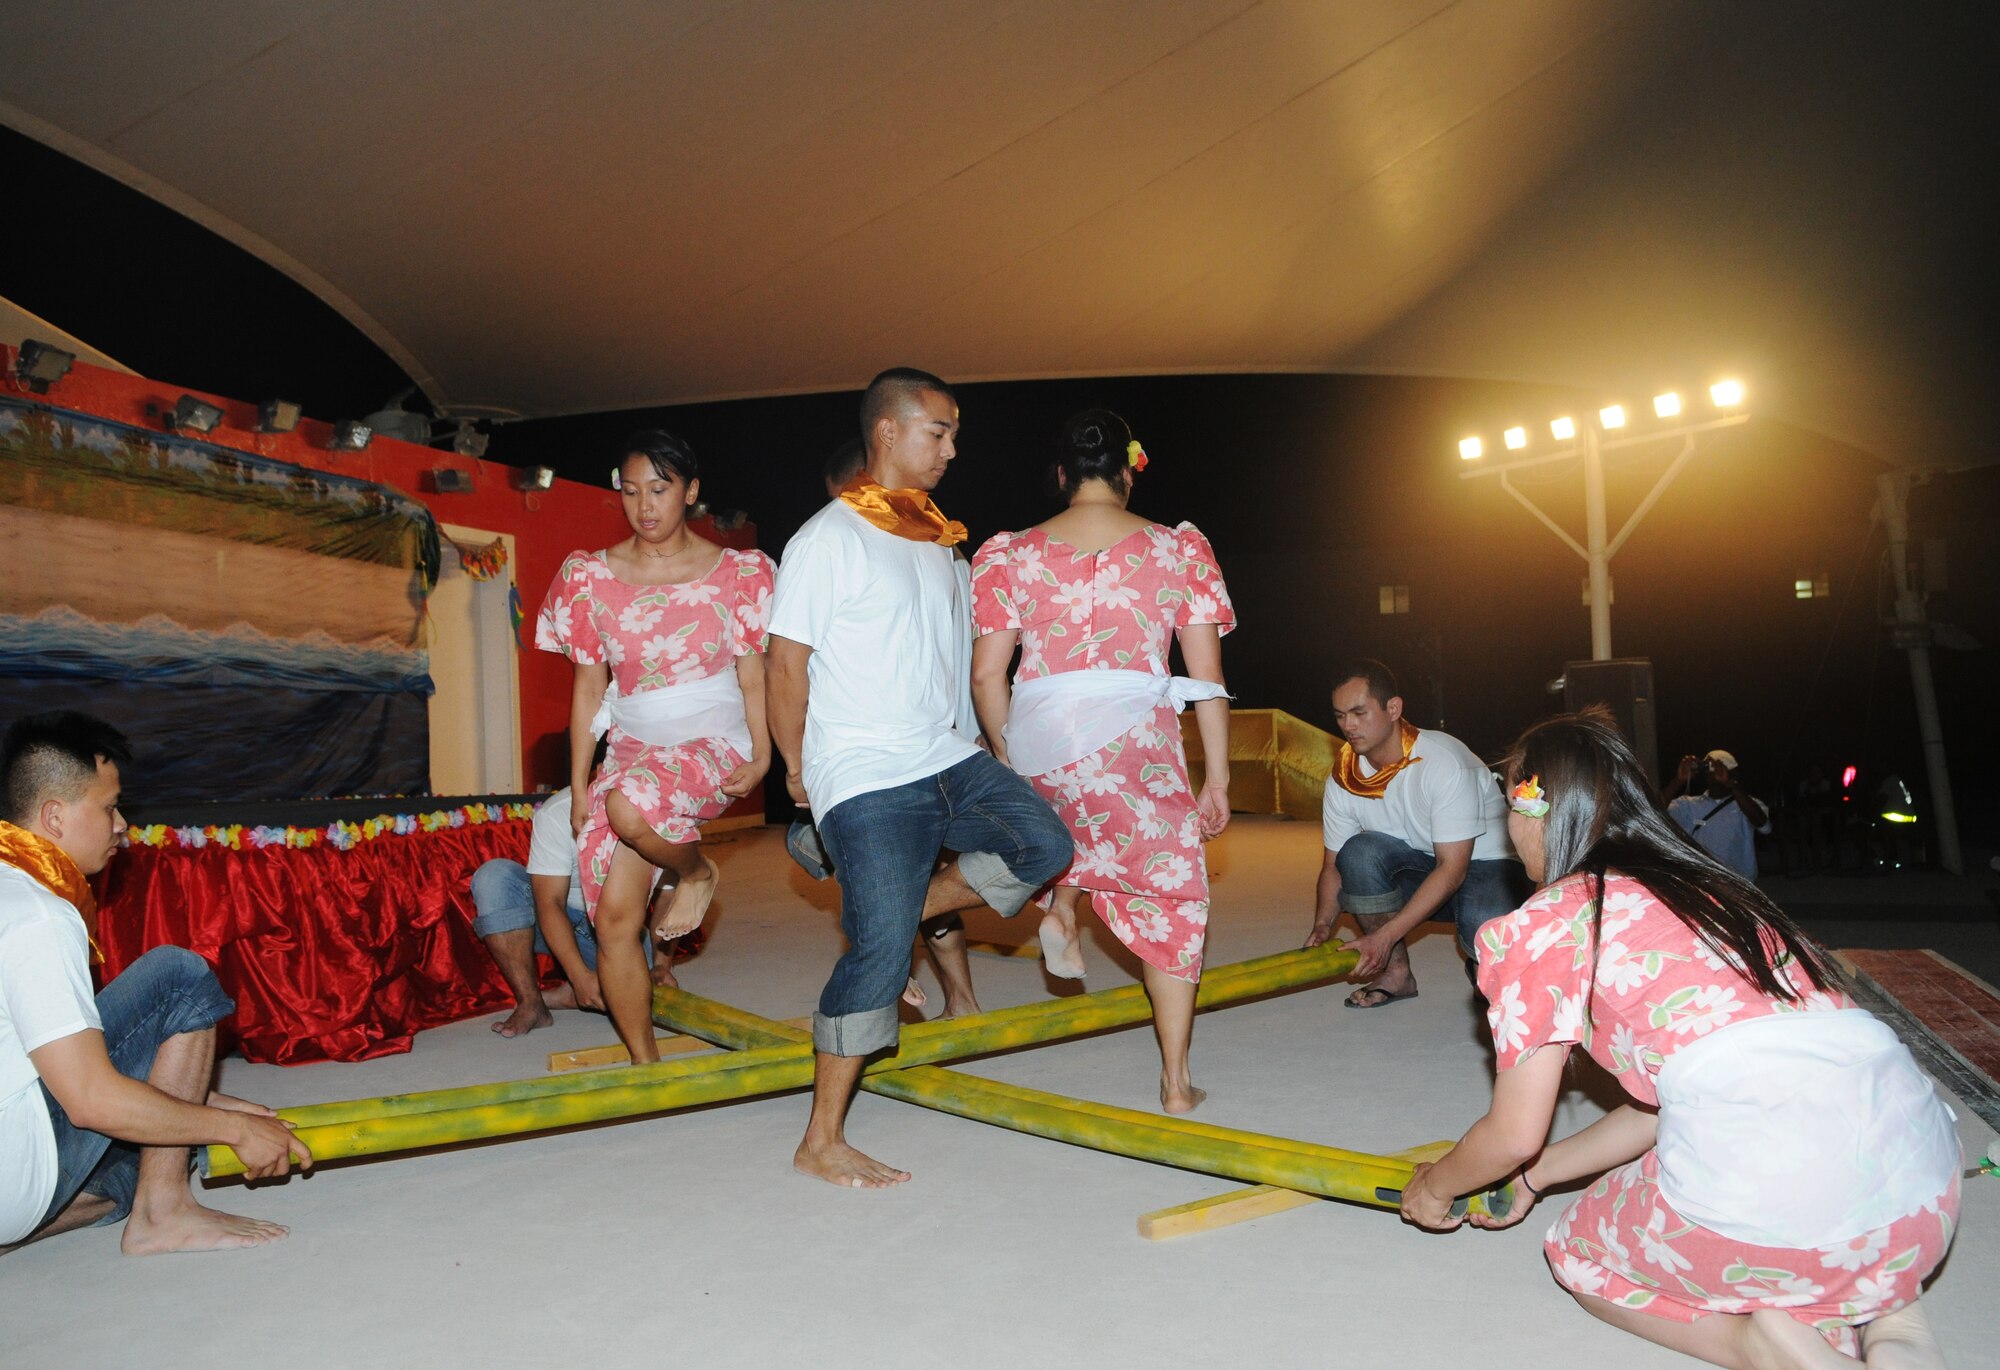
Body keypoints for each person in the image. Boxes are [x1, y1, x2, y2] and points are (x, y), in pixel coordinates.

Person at [1399, 709, 1957, 1369]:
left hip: (1779, 1215)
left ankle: (1761, 1345)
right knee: (1772, 1157)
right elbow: (1663, 1106)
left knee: (1580, 1249)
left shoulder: (1549, 924)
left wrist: (1436, 1186)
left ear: (1536, 808)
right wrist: (1537, 1176)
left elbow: (1514, 1134)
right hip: (1923, 1194)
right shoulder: (1719, 894)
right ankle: (1889, 1317)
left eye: (1510, 800)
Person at [767, 366, 1072, 1187]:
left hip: (946, 754)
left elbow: (946, 663)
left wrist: (982, 745)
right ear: (888, 432)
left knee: (1043, 843)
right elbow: (785, 664)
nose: (951, 449)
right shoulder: (827, 539)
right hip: (864, 768)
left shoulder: (940, 542)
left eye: (954, 435)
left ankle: (894, 900)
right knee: (875, 954)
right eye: (939, 432)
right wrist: (797, 769)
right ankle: (821, 1139)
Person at [969, 409, 1233, 1114]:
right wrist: (1217, 776)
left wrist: (1009, 751)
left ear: (1063, 475)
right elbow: (1205, 677)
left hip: (1042, 735)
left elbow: (987, 674)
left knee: (1072, 828)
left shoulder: (1008, 553)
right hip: (1135, 742)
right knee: (1170, 898)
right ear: (1127, 472)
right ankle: (1175, 1081)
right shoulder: (1179, 550)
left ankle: (1063, 907)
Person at [0, 712, 308, 1255]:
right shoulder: (38, 913)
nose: (121, 824)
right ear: (54, 816)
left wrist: (194, 1099)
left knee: (146, 1156)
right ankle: (164, 1212)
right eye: (109, 807)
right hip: (12, 1175)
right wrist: (232, 1129)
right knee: (179, 979)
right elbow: (90, 1101)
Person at [535, 429, 775, 1064]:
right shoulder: (588, 577)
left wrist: (763, 754)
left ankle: (695, 871)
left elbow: (754, 673)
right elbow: (589, 690)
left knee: (628, 807)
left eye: (660, 490)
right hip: (632, 753)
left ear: (690, 492)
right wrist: (579, 786)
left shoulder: (740, 572)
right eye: (631, 491)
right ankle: (646, 1065)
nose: (644, 506)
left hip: (712, 743)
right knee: (613, 920)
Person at [811, 434, 982, 1018]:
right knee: (901, 864)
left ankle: (924, 970)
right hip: (910, 744)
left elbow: (949, 656)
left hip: (921, 744)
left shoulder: (933, 548)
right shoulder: (929, 545)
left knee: (906, 871)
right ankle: (947, 991)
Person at [1304, 660, 1528, 1006]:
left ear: (1393, 709)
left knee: (1482, 928)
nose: (1348, 725)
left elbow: (1452, 868)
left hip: (1489, 866)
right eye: (1340, 715)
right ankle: (1396, 974)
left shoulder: (1442, 761)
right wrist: (1322, 924)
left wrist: (1383, 937)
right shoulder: (1344, 776)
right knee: (1358, 854)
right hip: (1424, 866)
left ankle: (1485, 963)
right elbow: (1333, 865)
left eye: (1359, 713)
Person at [468, 784, 680, 1039]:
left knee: (638, 991)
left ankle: (570, 995)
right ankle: (531, 1002)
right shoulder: (558, 812)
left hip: (619, 933)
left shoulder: (664, 809)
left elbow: (668, 896)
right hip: (552, 918)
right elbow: (550, 903)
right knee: (493, 878)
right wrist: (580, 977)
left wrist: (662, 965)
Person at [1664, 749, 1770, 880]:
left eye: (1720, 767)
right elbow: (1653, 811)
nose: (1713, 773)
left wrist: (1732, 785)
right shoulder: (1689, 805)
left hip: (1738, 881)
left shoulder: (1747, 803)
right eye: (1709, 767)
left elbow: (1765, 827)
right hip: (1702, 879)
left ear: (1733, 773)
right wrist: (1678, 780)